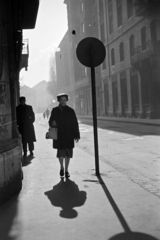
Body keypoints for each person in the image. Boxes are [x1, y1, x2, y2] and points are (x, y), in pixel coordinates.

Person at [49, 93, 80, 178]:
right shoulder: (54, 110)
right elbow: (50, 120)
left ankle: (66, 170)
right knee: (60, 153)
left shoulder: (71, 111)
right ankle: (61, 167)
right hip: (59, 134)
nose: (63, 102)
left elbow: (75, 123)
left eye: (64, 100)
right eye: (61, 100)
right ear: (58, 101)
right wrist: (52, 123)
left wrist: (76, 135)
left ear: (66, 101)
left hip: (68, 134)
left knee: (68, 153)